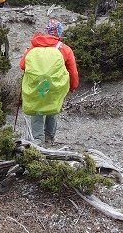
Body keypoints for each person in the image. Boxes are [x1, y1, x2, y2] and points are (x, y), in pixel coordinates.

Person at [19, 18, 79, 146]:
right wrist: (73, 86)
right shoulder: (64, 49)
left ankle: (37, 140)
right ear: (59, 32)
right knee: (52, 109)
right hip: (55, 86)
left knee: (37, 109)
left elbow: (22, 65)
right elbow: (72, 71)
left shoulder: (32, 47)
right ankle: (49, 139)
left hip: (37, 85)